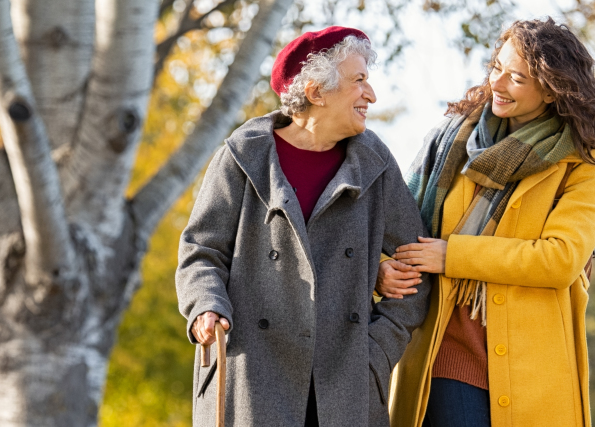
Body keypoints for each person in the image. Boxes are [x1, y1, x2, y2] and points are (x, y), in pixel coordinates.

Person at [378, 17, 595, 427]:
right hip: (444, 348)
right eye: (497, 67)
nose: (497, 83)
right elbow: (394, 224)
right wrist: (380, 269)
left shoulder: (583, 160)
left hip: (534, 365)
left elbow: (560, 258)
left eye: (516, 78)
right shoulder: (452, 140)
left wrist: (453, 255)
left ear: (551, 90)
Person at [176, 26, 430, 427]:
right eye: (359, 81)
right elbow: (201, 252)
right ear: (316, 92)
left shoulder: (375, 164)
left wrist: (375, 354)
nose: (372, 95)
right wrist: (205, 305)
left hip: (346, 387)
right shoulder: (243, 157)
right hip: (252, 378)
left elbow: (417, 267)